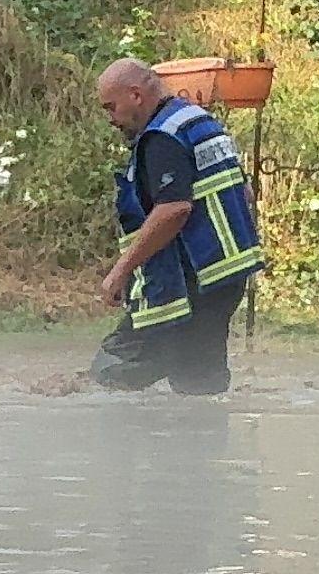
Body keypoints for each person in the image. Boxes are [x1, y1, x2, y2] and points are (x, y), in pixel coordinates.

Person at [87, 58, 267, 394]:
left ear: (136, 95)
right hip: (226, 276)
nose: (110, 118)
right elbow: (244, 190)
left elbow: (173, 209)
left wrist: (120, 271)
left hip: (191, 282)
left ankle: (113, 442)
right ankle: (209, 443)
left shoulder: (162, 138)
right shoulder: (198, 122)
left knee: (111, 372)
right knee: (200, 379)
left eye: (111, 107)